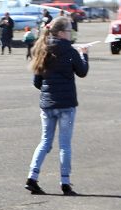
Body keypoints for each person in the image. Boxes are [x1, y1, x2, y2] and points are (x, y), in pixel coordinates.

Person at [25, 17, 88, 196]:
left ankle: (32, 177)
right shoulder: (69, 50)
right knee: (64, 145)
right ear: (61, 33)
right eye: (69, 31)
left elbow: (37, 82)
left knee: (45, 142)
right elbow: (82, 72)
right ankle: (65, 182)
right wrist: (84, 55)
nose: (70, 34)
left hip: (47, 105)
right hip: (66, 104)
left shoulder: (42, 48)